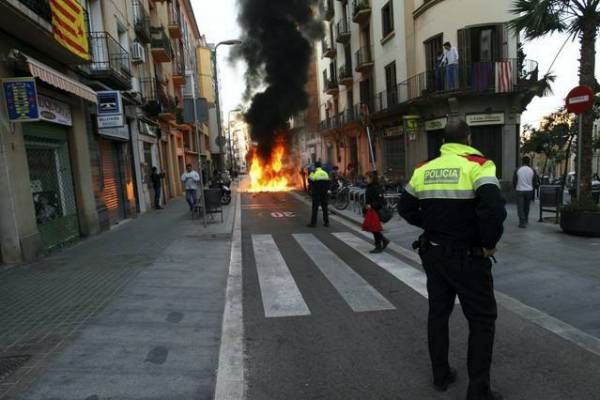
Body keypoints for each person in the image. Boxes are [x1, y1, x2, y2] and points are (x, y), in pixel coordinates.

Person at [398, 119, 507, 400]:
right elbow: (493, 209)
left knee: (438, 313)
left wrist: (429, 225)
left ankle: (441, 375)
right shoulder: (479, 165)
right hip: (469, 257)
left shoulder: (424, 169)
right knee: (482, 319)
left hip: (433, 254)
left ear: (443, 141)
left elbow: (404, 207)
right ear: (467, 138)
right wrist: (487, 244)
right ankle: (478, 391)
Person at [364, 171, 389, 253]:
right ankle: (384, 240)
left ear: (372, 179)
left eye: (367, 178)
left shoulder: (375, 187)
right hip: (371, 210)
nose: (365, 179)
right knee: (373, 228)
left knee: (375, 229)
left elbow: (381, 201)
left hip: (375, 211)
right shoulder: (370, 186)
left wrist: (372, 205)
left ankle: (378, 246)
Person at [513, 156, 537, 228]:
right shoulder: (532, 170)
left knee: (520, 207)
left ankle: (522, 222)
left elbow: (514, 181)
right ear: (529, 162)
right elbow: (535, 181)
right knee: (527, 206)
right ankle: (526, 219)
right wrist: (532, 188)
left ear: (522, 161)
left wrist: (515, 188)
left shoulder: (518, 170)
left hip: (519, 190)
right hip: (529, 190)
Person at [307, 161, 331, 227]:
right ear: (320, 166)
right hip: (324, 194)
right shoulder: (325, 173)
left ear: (315, 166)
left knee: (315, 208)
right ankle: (326, 223)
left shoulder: (315, 173)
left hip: (316, 193)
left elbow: (309, 180)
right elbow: (328, 182)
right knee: (325, 208)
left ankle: (313, 223)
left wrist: (311, 172)